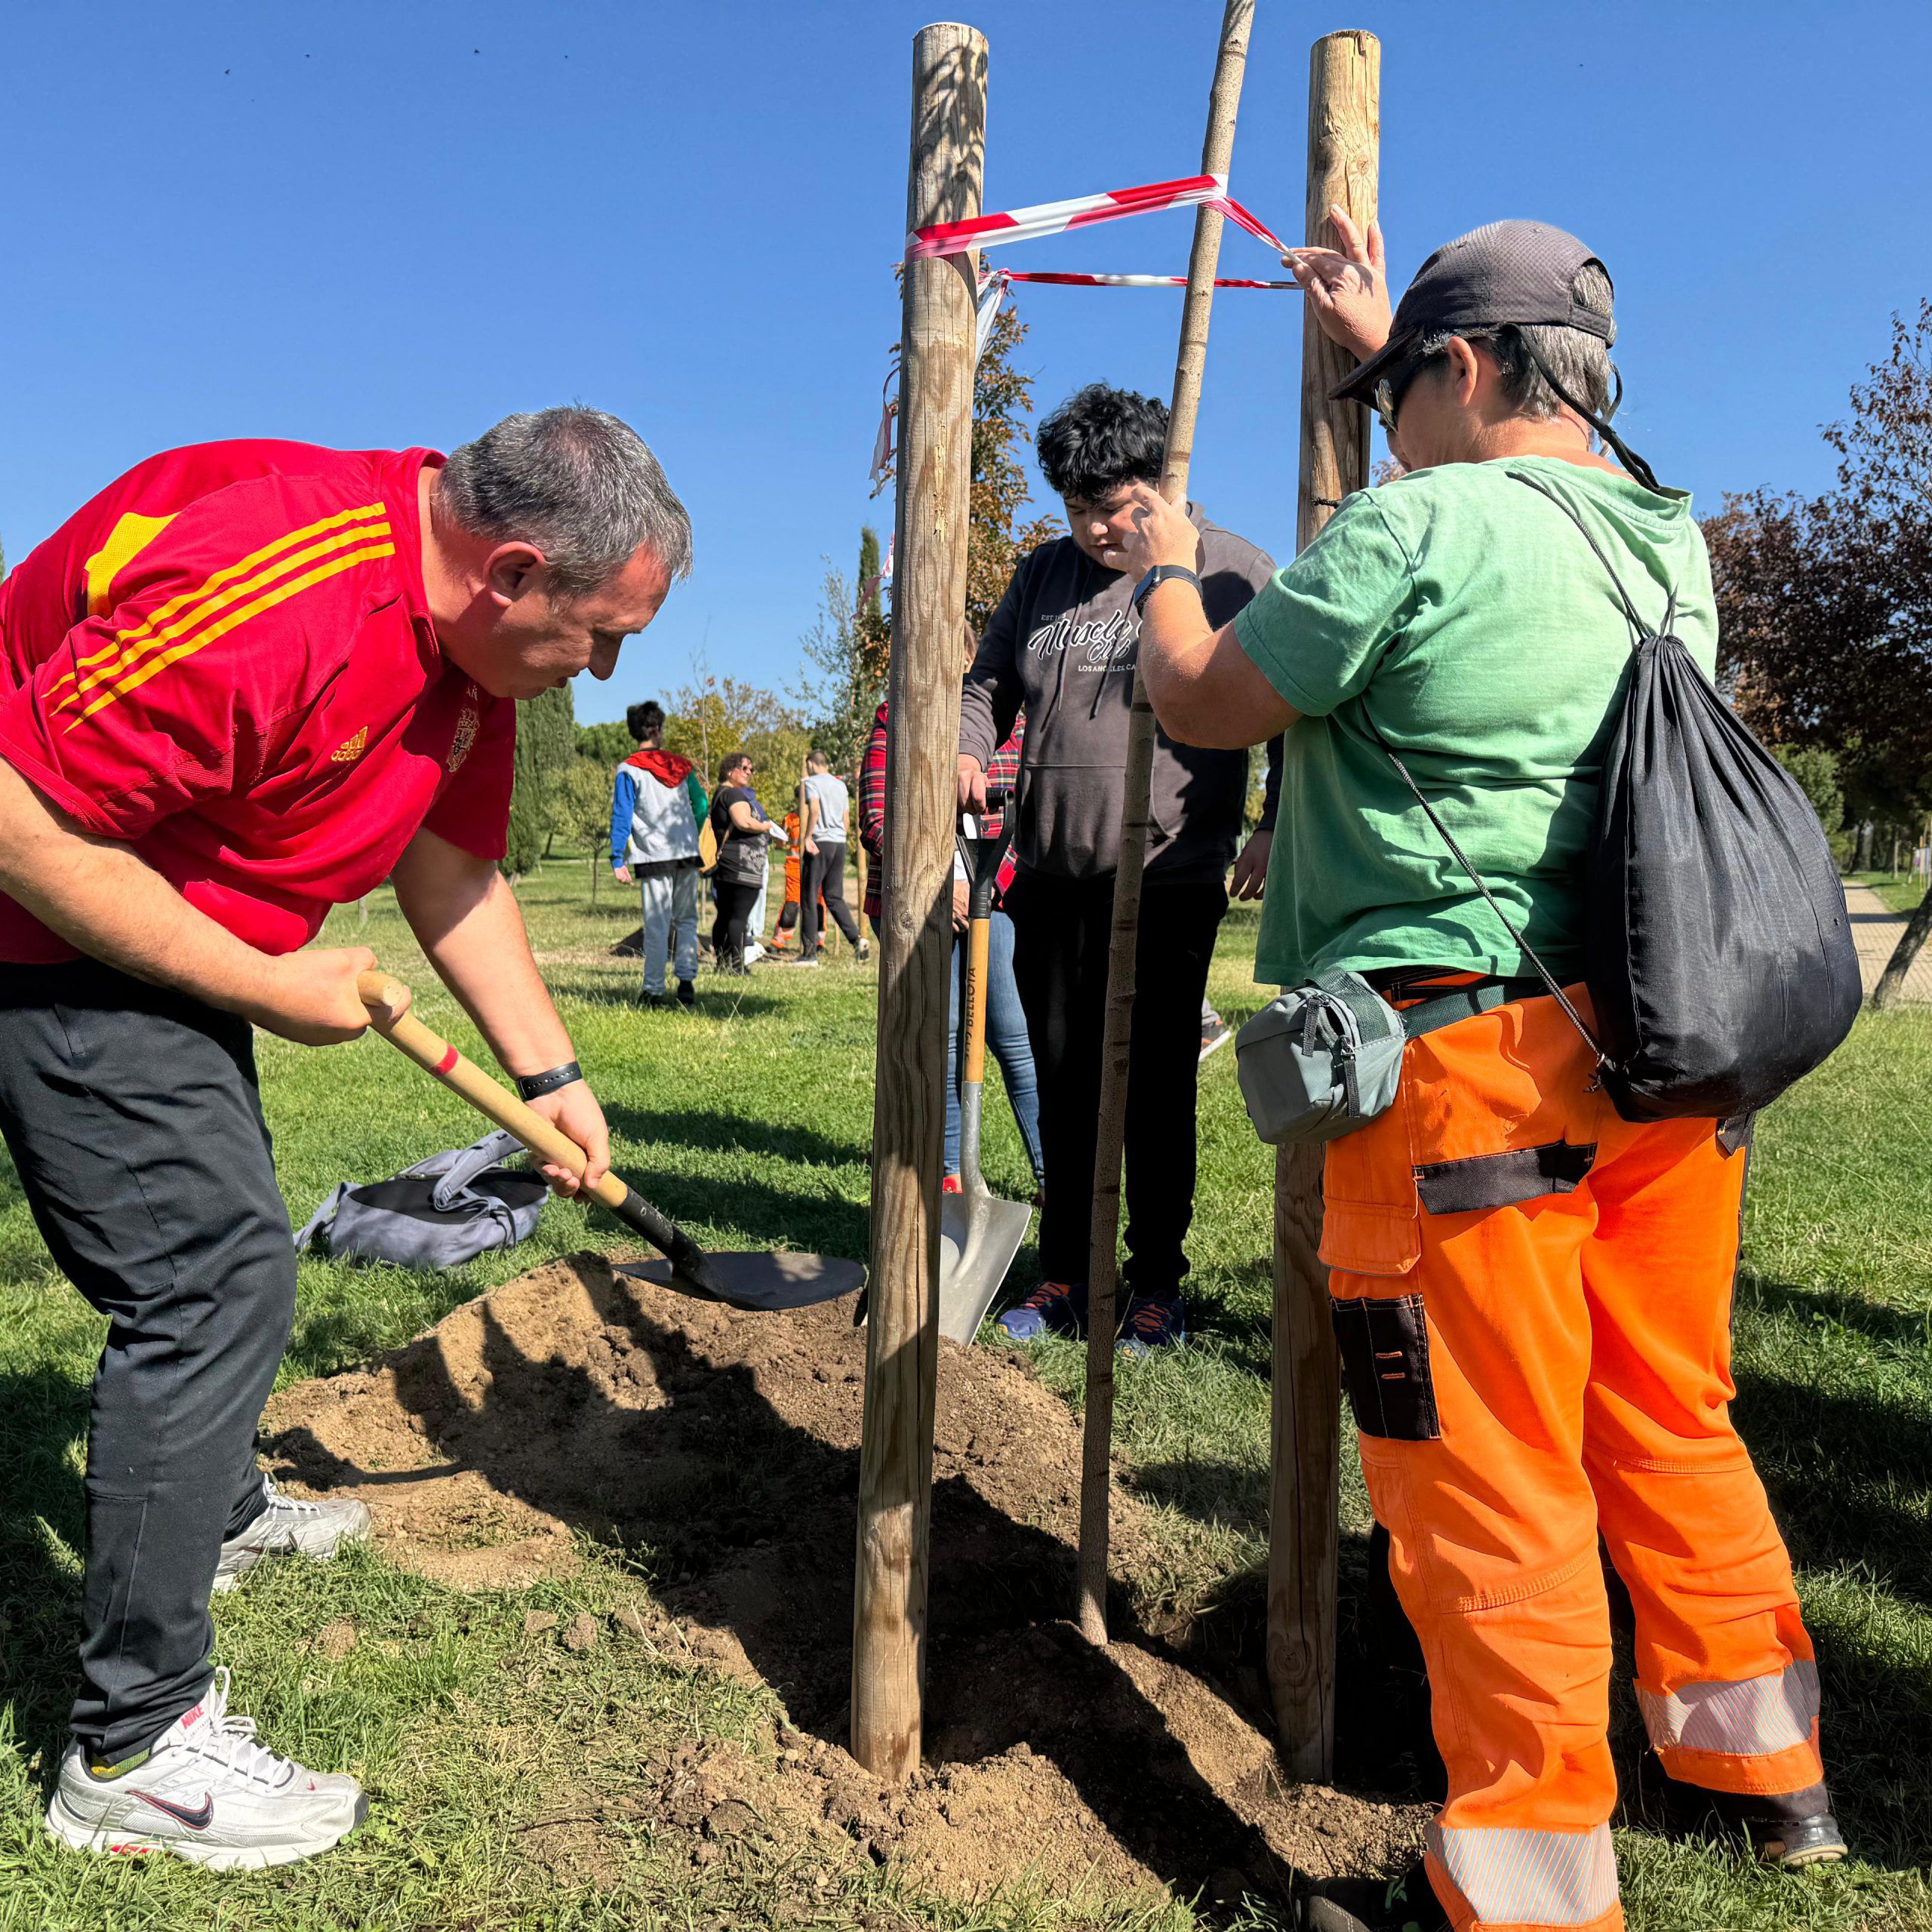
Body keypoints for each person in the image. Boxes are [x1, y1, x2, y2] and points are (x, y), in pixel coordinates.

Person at [1118, 215, 1841, 1932]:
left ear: (1455, 372)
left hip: (1470, 1076)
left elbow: (1209, 704)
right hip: (1663, 1052)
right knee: (1665, 1413)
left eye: (1407, 385)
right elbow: (1499, 467)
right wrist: (1390, 339)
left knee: (1486, 1474)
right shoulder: (1664, 545)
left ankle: (1519, 1878)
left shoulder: (1407, 525)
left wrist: (1159, 566)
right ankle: (1762, 1766)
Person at [0, 407, 690, 1868]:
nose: (609, 671)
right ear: (509, 570)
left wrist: (548, 1066)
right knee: (208, 1275)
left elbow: (452, 865)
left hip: (153, 917)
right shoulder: (281, 588)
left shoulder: (470, 665)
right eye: (602, 633)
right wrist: (263, 979)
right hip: (42, 916)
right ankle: (134, 1747)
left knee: (221, 1235)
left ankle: (214, 1511)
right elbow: (13, 814)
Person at [957, 382, 1275, 1353]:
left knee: (1152, 1090)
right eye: (1080, 508)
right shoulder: (1044, 576)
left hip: (1171, 870)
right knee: (1061, 1081)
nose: (1100, 527)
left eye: (1119, 504)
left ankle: (1155, 1282)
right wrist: (970, 748)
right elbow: (987, 682)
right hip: (1050, 870)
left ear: (1165, 481)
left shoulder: (1228, 570)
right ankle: (1067, 1271)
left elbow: (1292, 695)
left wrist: (1272, 819)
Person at [860, 703, 1043, 1192]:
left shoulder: (1014, 723)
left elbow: (1030, 811)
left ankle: (1052, 1178)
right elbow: (877, 816)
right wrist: (937, 884)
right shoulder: (893, 718)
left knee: (1014, 1036)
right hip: (914, 904)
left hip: (996, 896)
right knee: (941, 1036)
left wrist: (987, 886)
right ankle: (951, 1176)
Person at [611, 700, 707, 1007]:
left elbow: (622, 815)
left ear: (634, 732)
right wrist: (692, 831)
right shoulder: (682, 767)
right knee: (687, 919)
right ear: (659, 729)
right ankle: (687, 985)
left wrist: (617, 856)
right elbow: (701, 805)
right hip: (686, 852)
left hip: (653, 855)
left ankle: (653, 990)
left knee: (657, 923)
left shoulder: (628, 769)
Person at [706, 752, 784, 973]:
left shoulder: (720, 793)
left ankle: (723, 964)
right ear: (731, 770)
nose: (749, 773)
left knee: (726, 915)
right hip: (741, 866)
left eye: (751, 769)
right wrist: (767, 827)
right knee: (738, 916)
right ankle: (738, 966)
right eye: (745, 768)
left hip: (728, 864)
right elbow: (744, 822)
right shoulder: (733, 794)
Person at [795, 749, 866, 963]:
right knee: (834, 897)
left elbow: (814, 810)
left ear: (811, 764)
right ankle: (857, 940)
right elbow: (846, 819)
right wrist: (838, 837)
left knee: (808, 897)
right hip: (838, 843)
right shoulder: (840, 786)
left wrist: (808, 837)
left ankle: (809, 955)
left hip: (819, 842)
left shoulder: (812, 782)